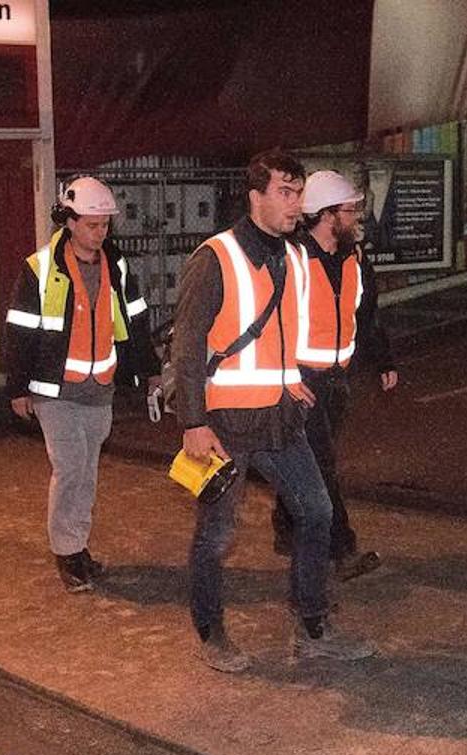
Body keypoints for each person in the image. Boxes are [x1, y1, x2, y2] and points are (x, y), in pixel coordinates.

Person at [171, 151, 375, 673]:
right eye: (285, 192)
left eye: (299, 193)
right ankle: (210, 631)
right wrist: (193, 423)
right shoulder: (215, 258)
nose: (295, 203)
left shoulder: (292, 256)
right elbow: (189, 347)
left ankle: (312, 627)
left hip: (280, 418)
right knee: (216, 534)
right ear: (255, 196)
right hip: (223, 426)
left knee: (318, 512)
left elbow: (285, 334)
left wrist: (292, 382)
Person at [3, 176, 162, 592]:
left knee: (87, 471)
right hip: (54, 390)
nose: (100, 232)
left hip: (99, 387)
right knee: (71, 468)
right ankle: (68, 552)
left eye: (105, 224)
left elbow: (136, 320)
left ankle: (79, 547)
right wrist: (17, 387)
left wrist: (149, 369)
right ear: (69, 221)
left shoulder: (118, 266)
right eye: (91, 224)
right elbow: (20, 330)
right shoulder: (40, 268)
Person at [271, 169, 398, 580]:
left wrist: (384, 361)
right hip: (303, 381)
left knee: (308, 464)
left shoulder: (354, 258)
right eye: (350, 211)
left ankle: (286, 526)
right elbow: (273, 322)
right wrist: (285, 375)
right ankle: (340, 550)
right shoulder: (293, 261)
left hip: (338, 380)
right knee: (322, 467)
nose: (357, 217)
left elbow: (367, 314)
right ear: (327, 215)